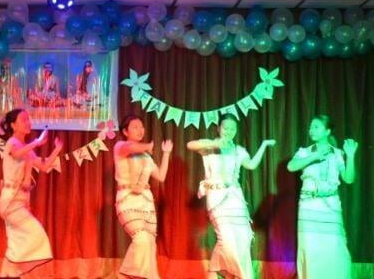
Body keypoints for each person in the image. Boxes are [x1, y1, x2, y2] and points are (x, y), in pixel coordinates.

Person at [187, 115, 276, 279]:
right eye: (226, 128)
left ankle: (214, 273)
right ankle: (243, 276)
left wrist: (263, 145)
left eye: (232, 128)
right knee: (227, 241)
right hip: (216, 198)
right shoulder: (209, 146)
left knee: (243, 240)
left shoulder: (238, 150)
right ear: (219, 128)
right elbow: (190, 145)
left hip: (235, 198)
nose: (229, 131)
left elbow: (251, 165)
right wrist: (214, 143)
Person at [287, 115, 358, 279]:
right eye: (311, 127)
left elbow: (348, 178)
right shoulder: (305, 152)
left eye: (316, 127)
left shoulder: (337, 153)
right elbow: (291, 166)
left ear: (327, 131)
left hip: (331, 206)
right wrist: (314, 156)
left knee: (334, 249)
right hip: (309, 206)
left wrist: (350, 156)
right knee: (311, 250)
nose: (311, 130)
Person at [0, 109, 64, 277]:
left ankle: (8, 274)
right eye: (23, 119)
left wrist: (57, 149)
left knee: (15, 244)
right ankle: (12, 273)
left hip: (20, 201)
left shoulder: (27, 149)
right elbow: (16, 153)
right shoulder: (12, 142)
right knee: (35, 233)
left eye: (28, 119)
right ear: (13, 125)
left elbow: (44, 166)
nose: (28, 122)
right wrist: (37, 142)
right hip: (10, 201)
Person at [113, 115, 173, 279]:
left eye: (141, 127)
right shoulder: (120, 147)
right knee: (141, 239)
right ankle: (126, 274)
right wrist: (148, 146)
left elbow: (161, 176)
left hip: (146, 201)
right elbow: (132, 148)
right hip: (127, 199)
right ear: (125, 131)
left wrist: (166, 153)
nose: (140, 130)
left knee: (150, 242)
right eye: (135, 127)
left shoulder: (146, 157)